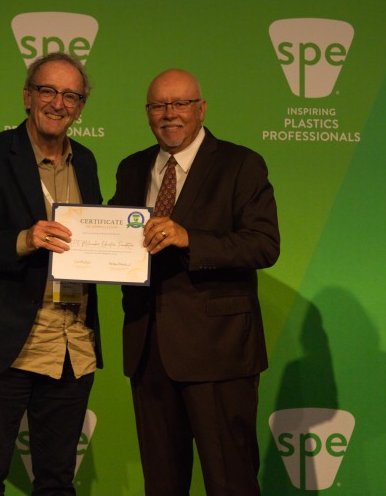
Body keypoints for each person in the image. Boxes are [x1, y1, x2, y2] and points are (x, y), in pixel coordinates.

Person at [109, 68, 280, 495]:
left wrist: (190, 239)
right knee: (161, 485)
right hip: (149, 352)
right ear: (147, 113)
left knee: (230, 481)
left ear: (201, 109)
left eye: (180, 103)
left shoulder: (240, 164)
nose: (169, 113)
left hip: (219, 352)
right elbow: (115, 240)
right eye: (158, 105)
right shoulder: (132, 167)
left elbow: (263, 245)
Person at [0, 52, 103, 495]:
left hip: (71, 344)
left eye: (71, 96)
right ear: (27, 96)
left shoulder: (86, 161)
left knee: (57, 481)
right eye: (48, 90)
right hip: (6, 343)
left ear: (81, 107)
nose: (58, 103)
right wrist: (23, 240)